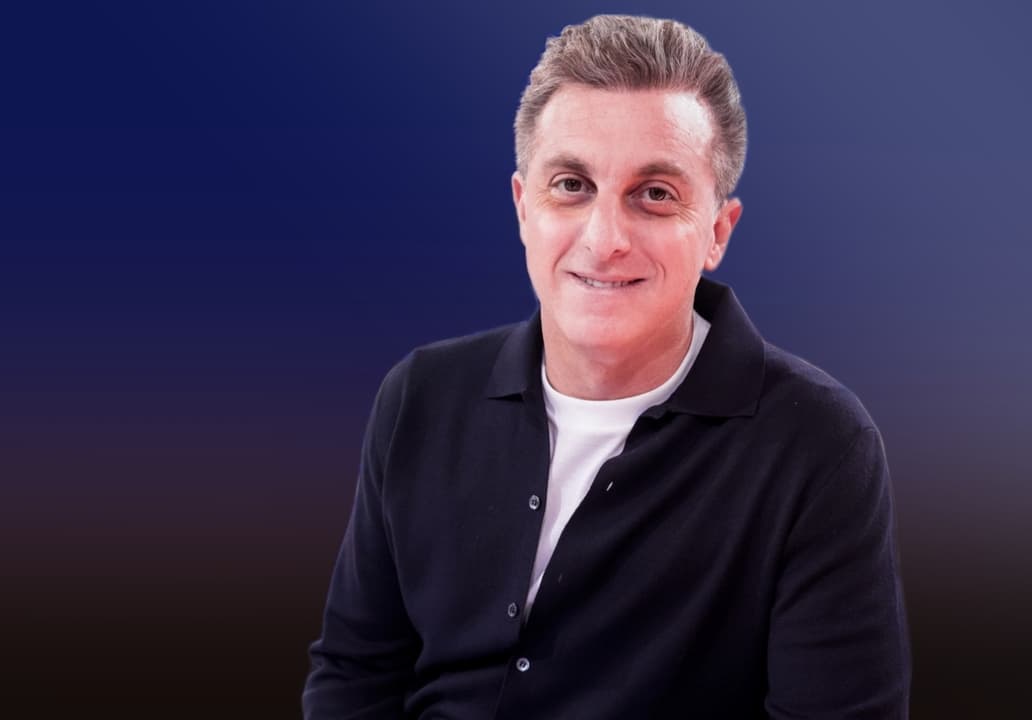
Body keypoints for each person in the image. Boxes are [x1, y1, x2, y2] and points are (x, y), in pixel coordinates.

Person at [303, 14, 910, 719]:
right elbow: (355, 675)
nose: (605, 238)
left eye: (655, 194)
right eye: (571, 184)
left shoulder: (819, 445)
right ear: (523, 207)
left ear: (717, 231)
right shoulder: (419, 396)